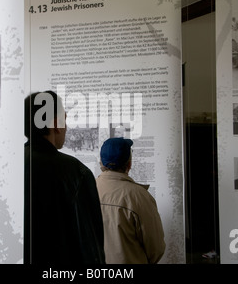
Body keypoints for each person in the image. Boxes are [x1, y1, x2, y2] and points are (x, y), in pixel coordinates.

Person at [24, 91, 105, 264]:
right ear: (56, 124)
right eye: (65, 119)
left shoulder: (11, 165)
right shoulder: (76, 172)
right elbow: (90, 247)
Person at [96, 137, 166, 264]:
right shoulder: (139, 196)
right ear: (129, 164)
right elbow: (156, 248)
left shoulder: (85, 189)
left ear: (101, 163)